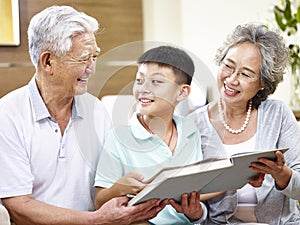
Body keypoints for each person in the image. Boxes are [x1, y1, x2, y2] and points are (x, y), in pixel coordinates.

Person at [0, 5, 166, 225]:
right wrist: (96, 220)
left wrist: (127, 187)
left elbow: (106, 185)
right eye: (83, 59)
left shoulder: (96, 109)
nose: (91, 68)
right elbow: (19, 207)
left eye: (94, 57)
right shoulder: (8, 115)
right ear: (48, 61)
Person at [94, 46, 224, 224]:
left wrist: (195, 211)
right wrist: (118, 188)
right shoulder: (119, 137)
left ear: (182, 92)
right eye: (139, 80)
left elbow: (201, 187)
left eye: (156, 82)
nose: (144, 89)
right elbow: (99, 201)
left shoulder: (190, 129)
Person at [189, 23, 300, 224]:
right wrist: (195, 213)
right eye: (228, 66)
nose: (231, 79)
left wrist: (281, 174)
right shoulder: (193, 124)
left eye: (246, 74)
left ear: (263, 83)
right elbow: (194, 205)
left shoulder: (278, 114)